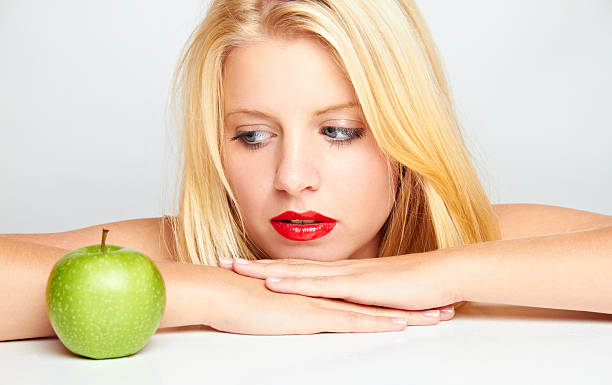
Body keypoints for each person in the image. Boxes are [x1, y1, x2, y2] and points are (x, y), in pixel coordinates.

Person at [1, 0, 610, 342]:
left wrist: (434, 273)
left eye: (339, 131)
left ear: (405, 136)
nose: (292, 177)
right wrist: (210, 293)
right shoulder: (179, 253)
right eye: (253, 136)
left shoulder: (470, 240)